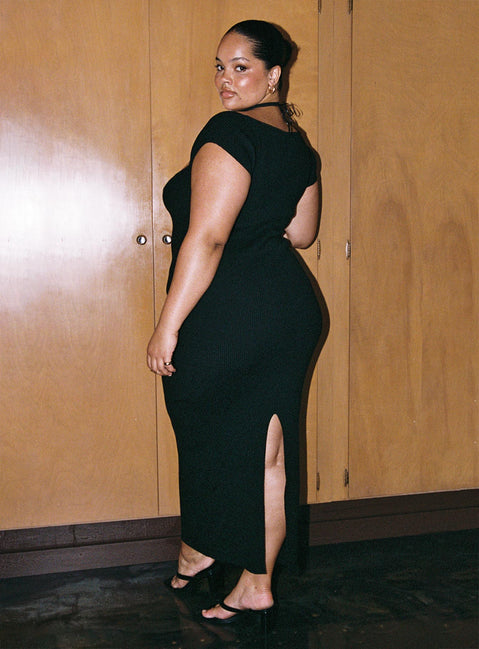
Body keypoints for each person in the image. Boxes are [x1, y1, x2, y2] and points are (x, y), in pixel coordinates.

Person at [147, 19, 322, 624]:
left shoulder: (228, 133)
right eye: (220, 67)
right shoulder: (298, 147)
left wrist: (167, 325)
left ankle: (227, 564)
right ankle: (229, 567)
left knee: (208, 430)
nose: (226, 79)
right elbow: (302, 233)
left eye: (241, 67)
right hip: (287, 310)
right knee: (263, 445)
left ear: (274, 75)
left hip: (228, 312)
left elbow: (208, 238)